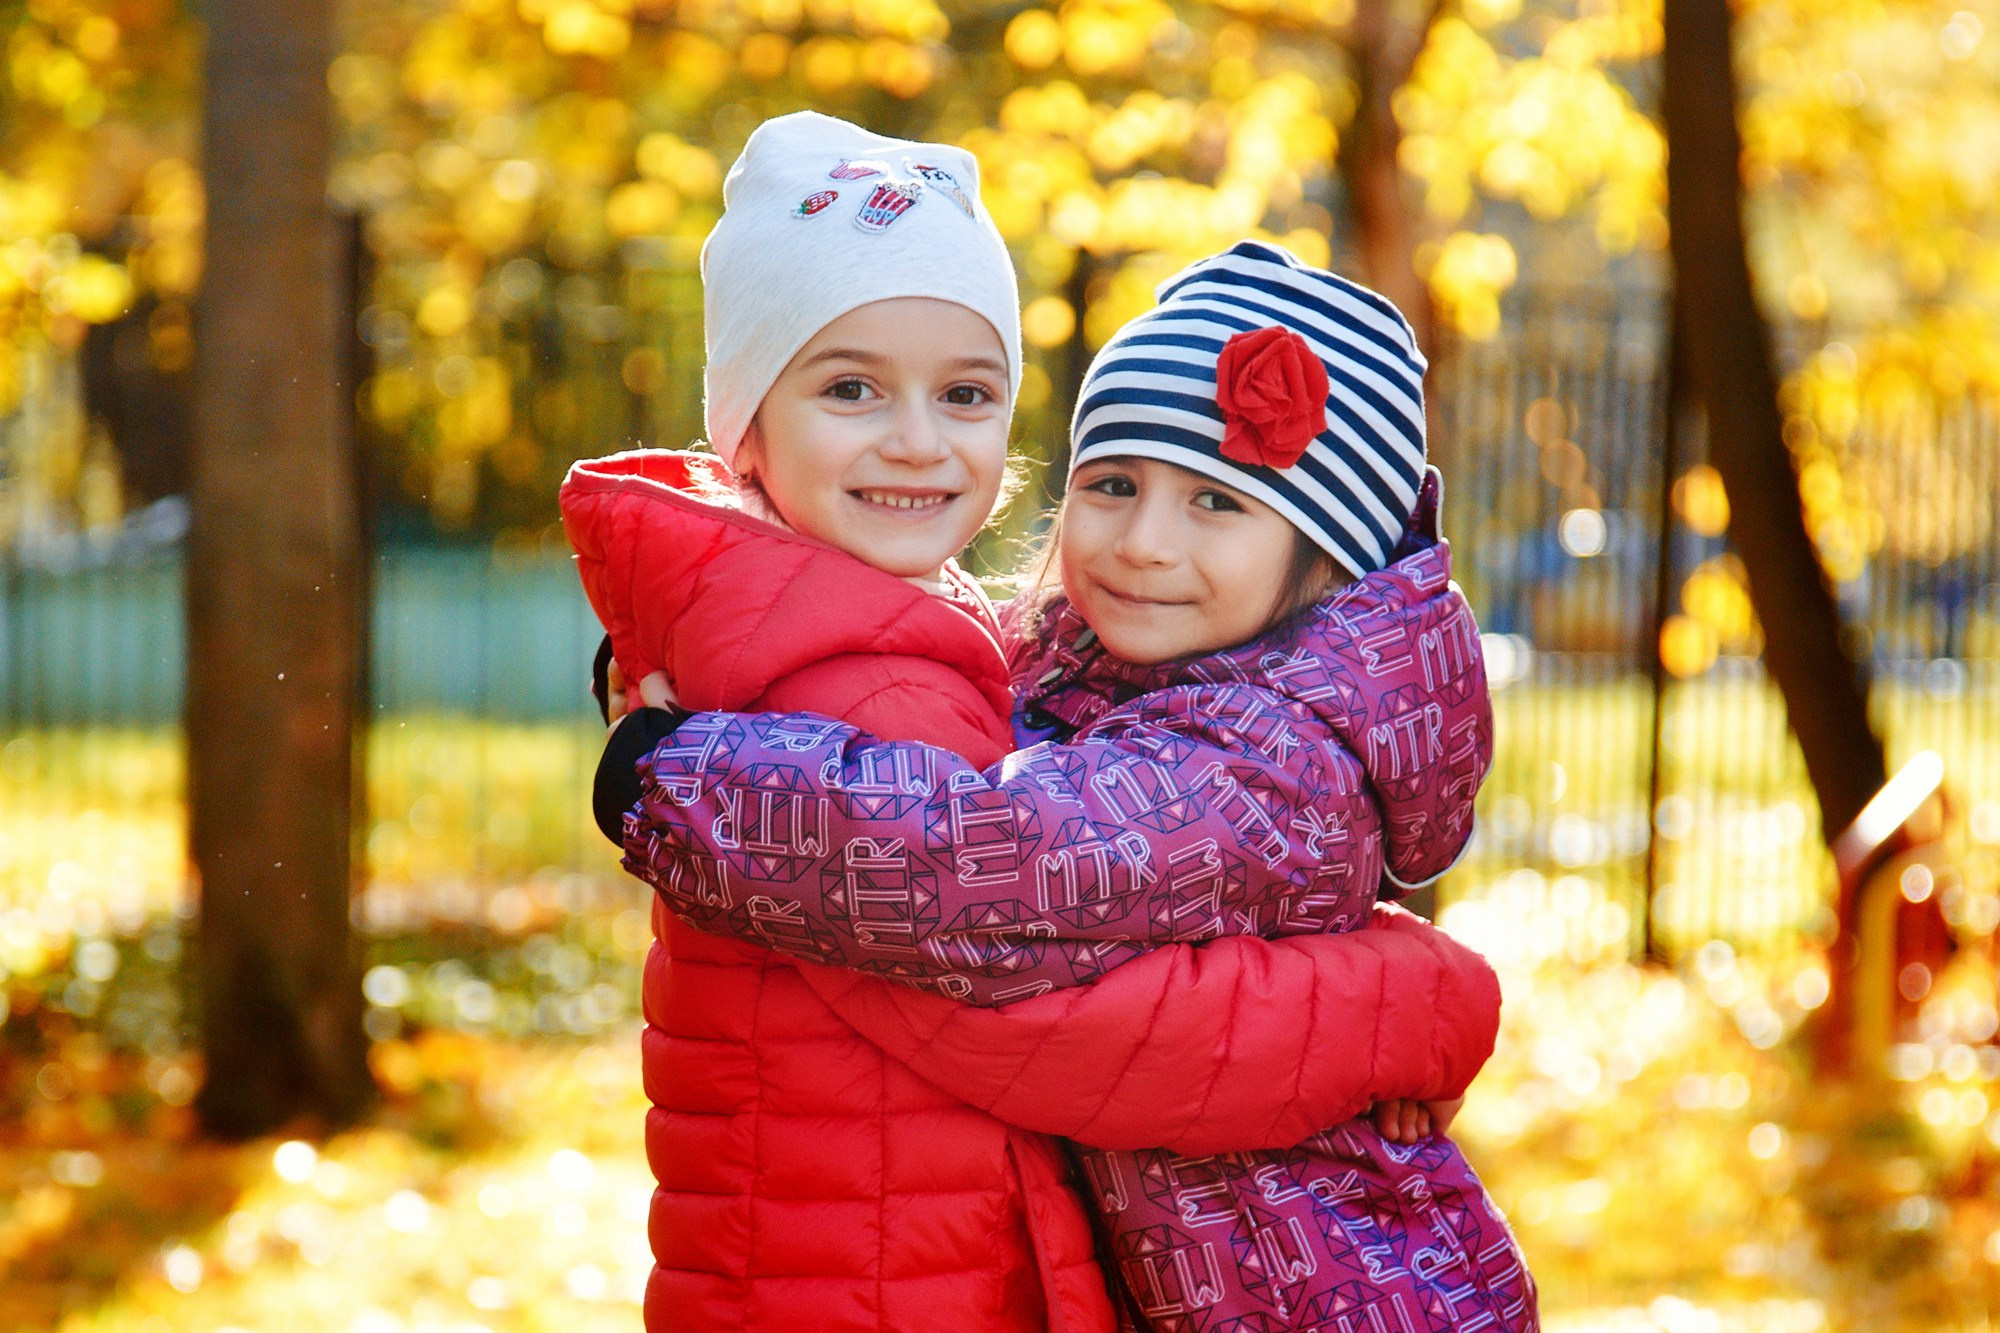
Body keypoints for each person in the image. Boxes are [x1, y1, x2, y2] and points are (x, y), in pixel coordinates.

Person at [567, 121, 1505, 1332]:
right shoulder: (1079, 672)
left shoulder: (1267, 749)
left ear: (1319, 560)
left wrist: (681, 776)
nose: (1143, 541)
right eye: (1111, 483)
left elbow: (996, 862)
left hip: (1304, 1289)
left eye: (1217, 502)